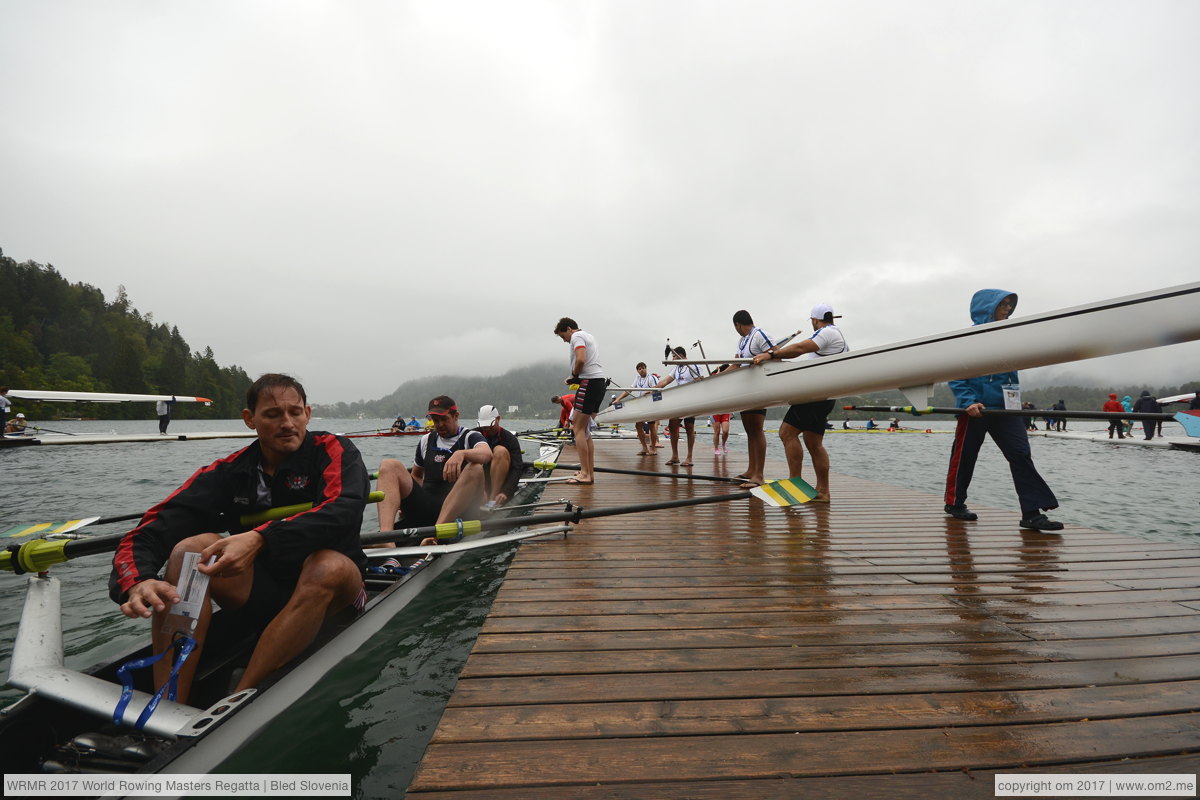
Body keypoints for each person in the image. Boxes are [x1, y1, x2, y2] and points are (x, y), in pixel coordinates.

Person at [109, 373, 369, 702]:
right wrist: (137, 581)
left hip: (339, 593)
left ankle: (238, 699)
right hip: (264, 593)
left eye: (296, 412)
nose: (288, 423)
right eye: (273, 414)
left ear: (308, 414)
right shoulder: (231, 472)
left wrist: (261, 538)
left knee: (326, 565)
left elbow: (344, 510)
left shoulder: (332, 449)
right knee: (189, 551)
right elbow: (152, 528)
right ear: (250, 419)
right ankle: (167, 703)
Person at [941, 290, 1063, 531]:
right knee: (965, 457)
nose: (1007, 309)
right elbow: (954, 375)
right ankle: (954, 503)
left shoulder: (1010, 338)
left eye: (1009, 305)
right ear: (987, 308)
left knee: (1021, 455)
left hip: (1007, 410)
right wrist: (968, 401)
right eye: (1003, 305)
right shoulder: (967, 339)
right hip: (976, 409)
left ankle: (1031, 513)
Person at [751, 303, 848, 502]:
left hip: (815, 396)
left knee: (787, 433)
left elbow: (801, 348)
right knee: (814, 442)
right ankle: (823, 492)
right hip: (825, 396)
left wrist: (771, 354)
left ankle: (795, 482)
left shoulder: (827, 332)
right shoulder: (835, 334)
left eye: (812, 321)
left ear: (815, 320)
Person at [374, 396, 492, 543]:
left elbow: (487, 454)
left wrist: (461, 453)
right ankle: (386, 538)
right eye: (435, 420)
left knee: (475, 468)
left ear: (456, 416)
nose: (439, 424)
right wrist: (406, 504)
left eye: (444, 419)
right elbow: (416, 475)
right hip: (429, 507)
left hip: (461, 512)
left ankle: (435, 536)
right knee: (389, 465)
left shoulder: (471, 437)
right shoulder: (426, 440)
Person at [720, 310, 774, 488]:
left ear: (738, 324)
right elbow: (736, 364)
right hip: (745, 390)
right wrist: (717, 378)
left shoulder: (759, 334)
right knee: (749, 429)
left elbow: (775, 353)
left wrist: (765, 357)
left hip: (759, 389)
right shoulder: (741, 340)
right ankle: (751, 470)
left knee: (757, 430)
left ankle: (759, 475)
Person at [553, 317, 607, 485]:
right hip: (598, 382)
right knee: (585, 431)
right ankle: (589, 471)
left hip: (589, 382)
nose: (564, 340)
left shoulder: (576, 337)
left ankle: (585, 474)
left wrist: (574, 375)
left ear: (569, 329)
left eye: (563, 336)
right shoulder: (589, 335)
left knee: (577, 428)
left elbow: (581, 359)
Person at [654, 345, 703, 466]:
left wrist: (700, 379)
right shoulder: (676, 368)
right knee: (672, 425)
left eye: (674, 356)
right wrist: (651, 389)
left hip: (691, 400)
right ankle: (675, 456)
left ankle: (689, 457)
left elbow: (701, 381)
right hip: (679, 401)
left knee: (689, 427)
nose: (673, 359)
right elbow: (665, 381)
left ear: (680, 355)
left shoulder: (694, 365)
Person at [474, 404, 524, 506]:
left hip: (501, 482)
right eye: (484, 426)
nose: (487, 429)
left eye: (490, 425)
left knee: (500, 451)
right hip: (481, 481)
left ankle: (493, 497)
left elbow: (517, 468)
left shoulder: (510, 439)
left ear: (498, 419)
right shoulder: (473, 434)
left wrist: (506, 491)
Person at [611, 362, 660, 455]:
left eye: (643, 368)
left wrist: (649, 391)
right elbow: (629, 390)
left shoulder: (651, 378)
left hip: (652, 404)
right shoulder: (637, 379)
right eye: (639, 369)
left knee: (652, 426)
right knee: (638, 426)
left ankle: (653, 449)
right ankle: (644, 448)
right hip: (642, 405)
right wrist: (617, 399)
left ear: (646, 368)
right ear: (637, 371)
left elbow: (658, 388)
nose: (642, 370)